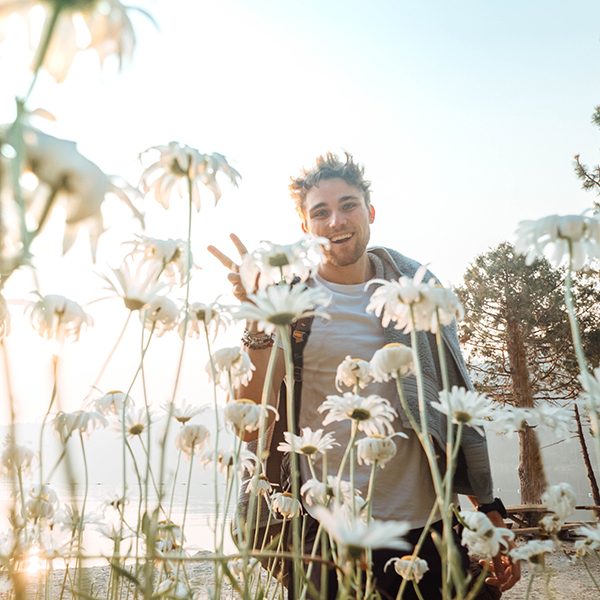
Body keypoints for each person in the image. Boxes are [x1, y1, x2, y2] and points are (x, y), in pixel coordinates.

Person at [208, 152, 520, 599]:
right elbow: (249, 425)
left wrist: (489, 510)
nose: (336, 220)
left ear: (370, 212)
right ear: (305, 228)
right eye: (320, 211)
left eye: (348, 204)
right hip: (324, 528)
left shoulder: (417, 291)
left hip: (424, 524)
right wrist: (259, 316)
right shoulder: (288, 301)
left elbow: (453, 401)